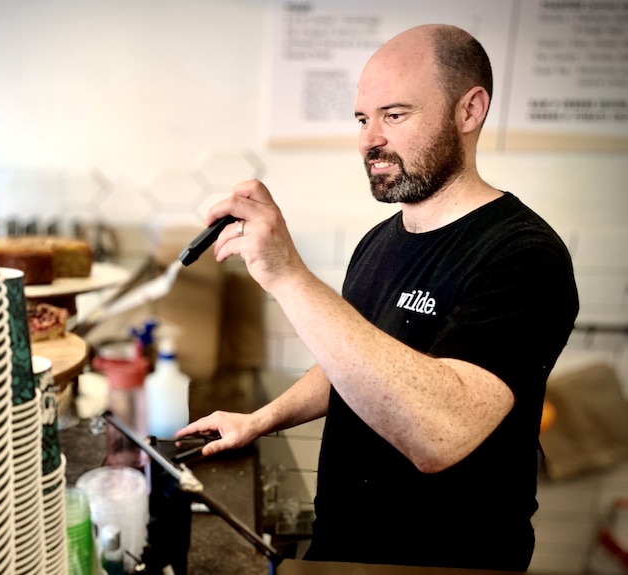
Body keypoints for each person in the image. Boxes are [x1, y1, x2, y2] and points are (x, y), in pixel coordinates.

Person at [176, 23, 579, 571]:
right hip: (344, 545)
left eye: (395, 115)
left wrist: (290, 276)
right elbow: (356, 362)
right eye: (363, 119)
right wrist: (260, 419)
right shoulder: (381, 240)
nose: (370, 139)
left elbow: (441, 435)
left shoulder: (524, 255)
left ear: (469, 111)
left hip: (444, 561)